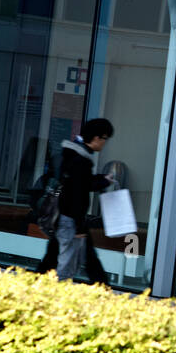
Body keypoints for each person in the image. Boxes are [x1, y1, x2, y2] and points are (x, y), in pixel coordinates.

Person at [56, 118, 115, 283]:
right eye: (105, 139)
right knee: (67, 262)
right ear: (97, 138)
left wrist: (102, 179)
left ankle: (101, 285)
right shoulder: (80, 159)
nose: (104, 143)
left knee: (64, 256)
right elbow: (77, 192)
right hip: (71, 217)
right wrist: (79, 225)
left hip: (66, 215)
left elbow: (82, 183)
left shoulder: (74, 154)